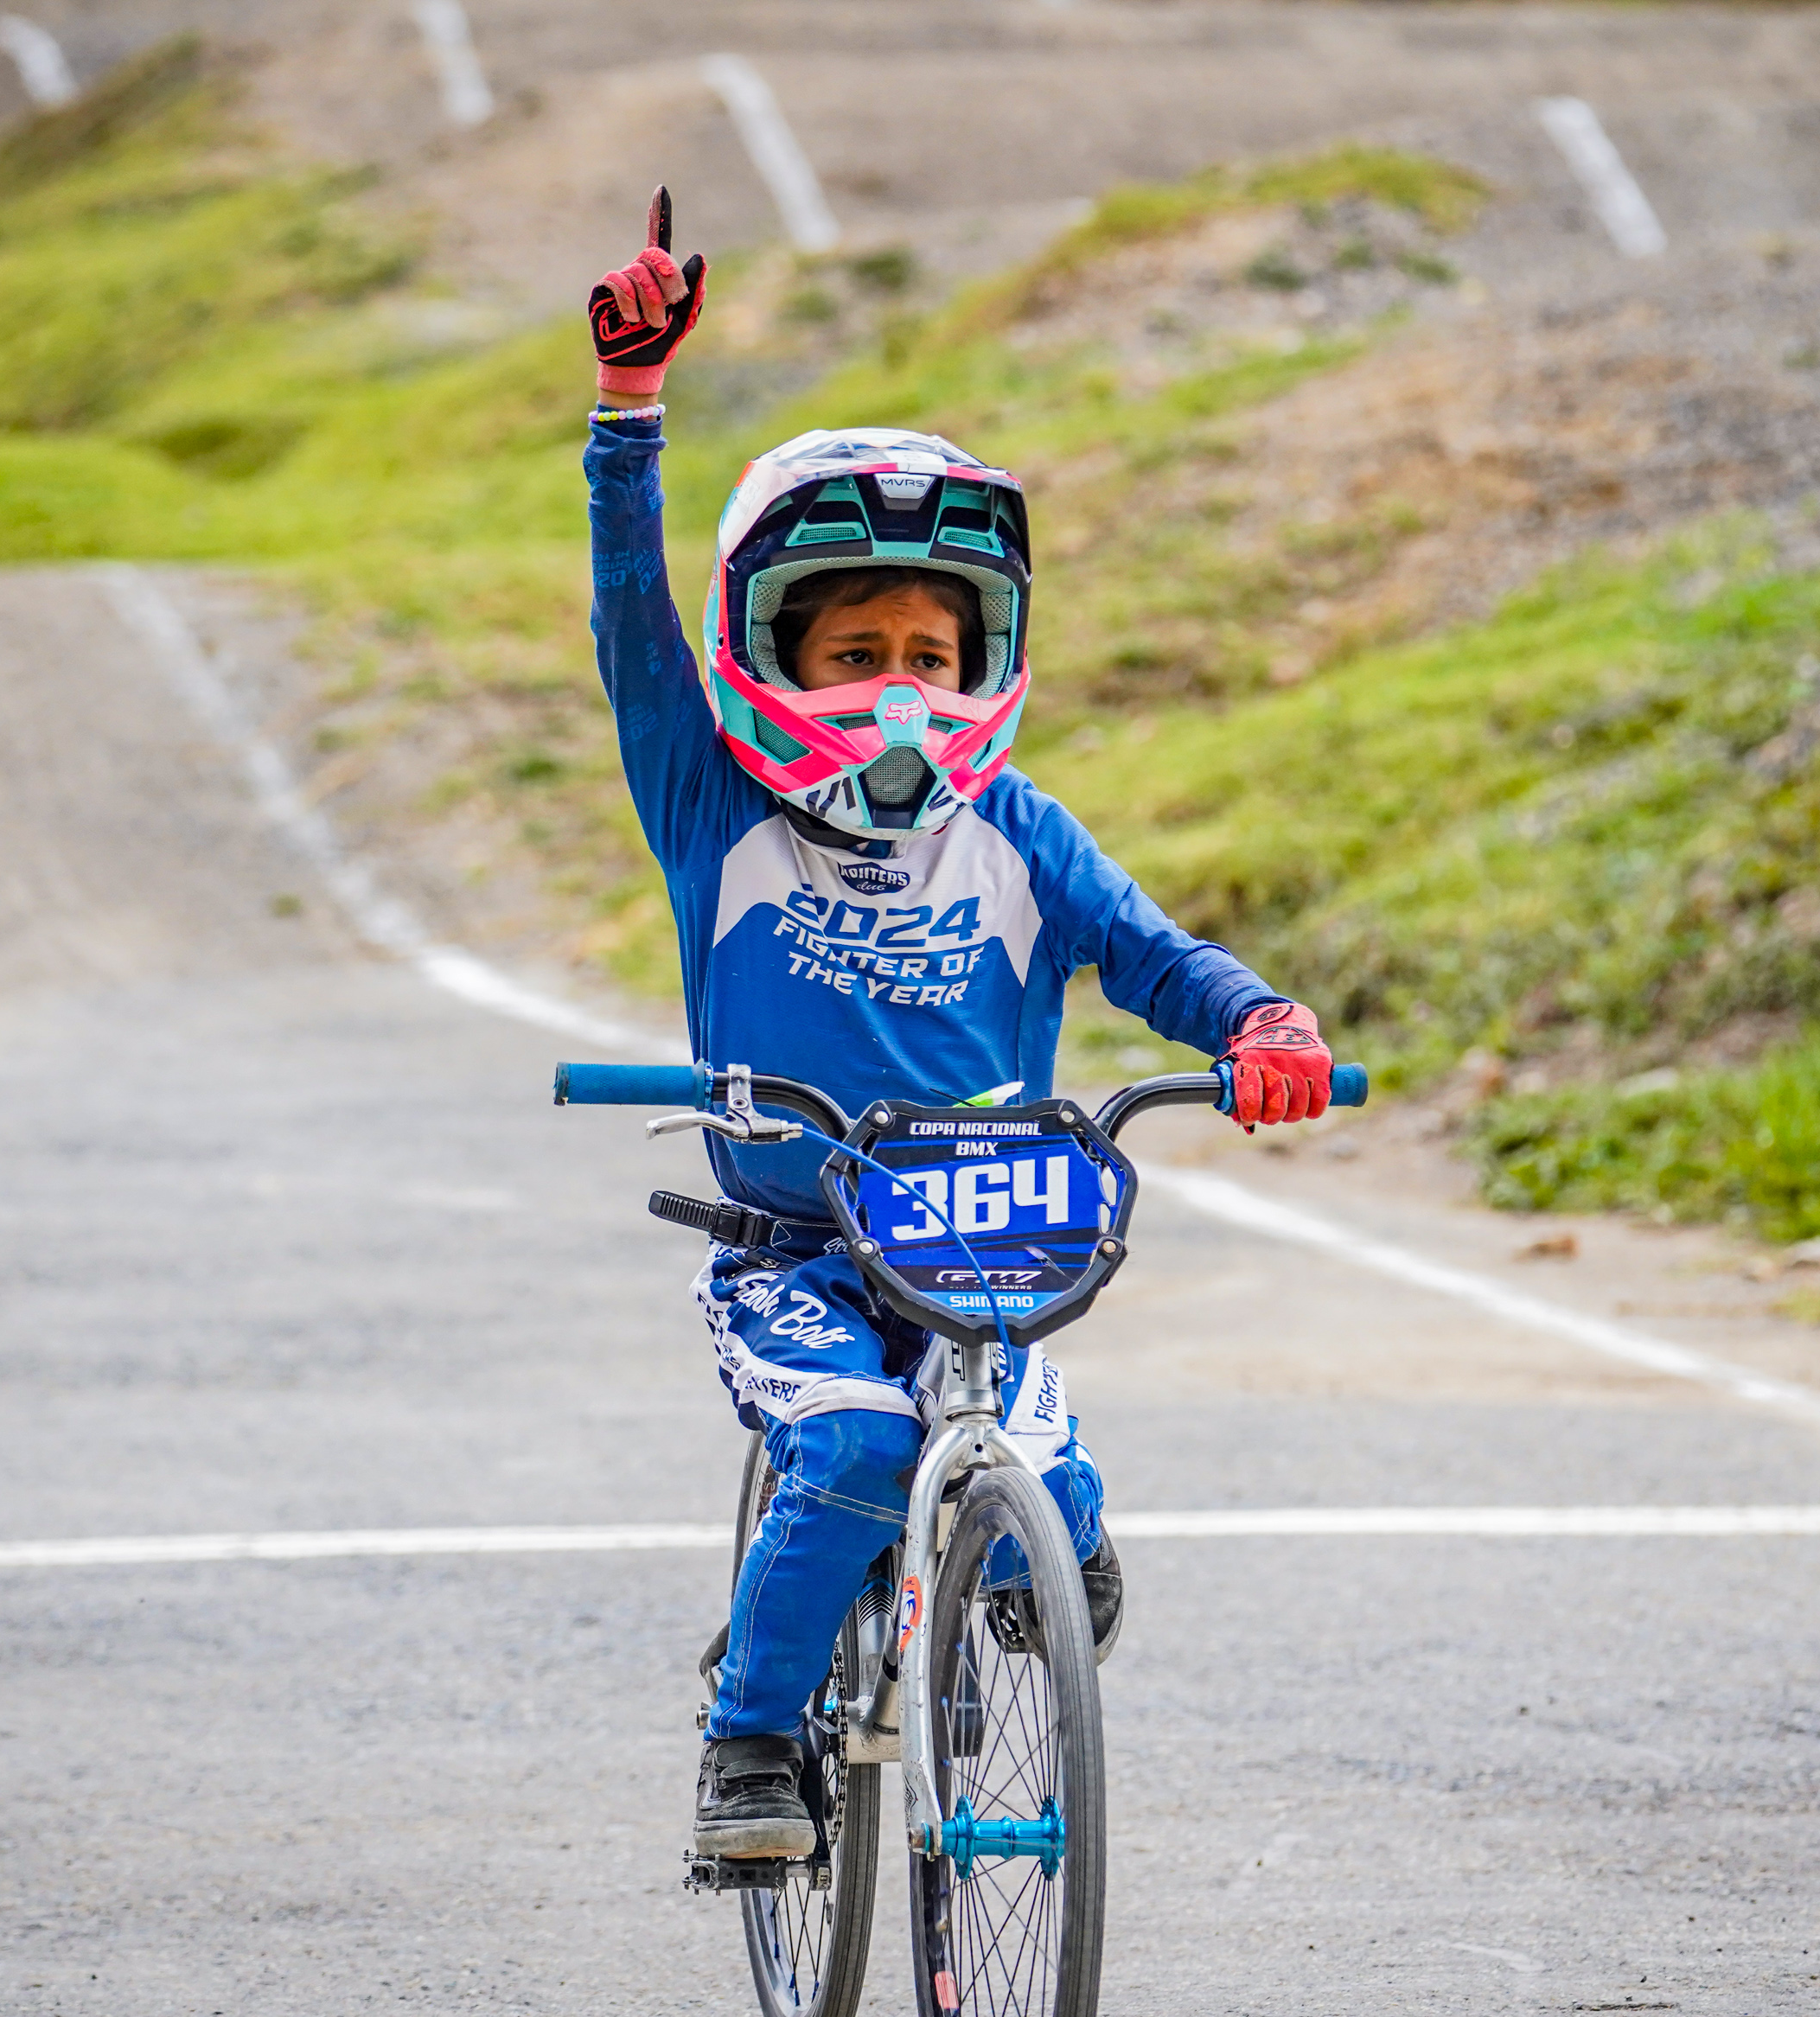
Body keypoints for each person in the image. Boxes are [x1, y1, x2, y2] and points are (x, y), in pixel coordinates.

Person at [582, 192, 1337, 1861]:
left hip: (981, 1244)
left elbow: (1154, 955)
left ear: (990, 653)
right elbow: (628, 633)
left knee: (1052, 1511)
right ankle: (752, 1740)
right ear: (766, 650)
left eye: (935, 649)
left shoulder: (1023, 836)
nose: (902, 689)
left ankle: (1027, 1548)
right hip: (794, 1243)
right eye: (854, 651)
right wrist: (627, 416)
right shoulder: (715, 812)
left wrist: (1259, 1019)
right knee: (849, 1442)